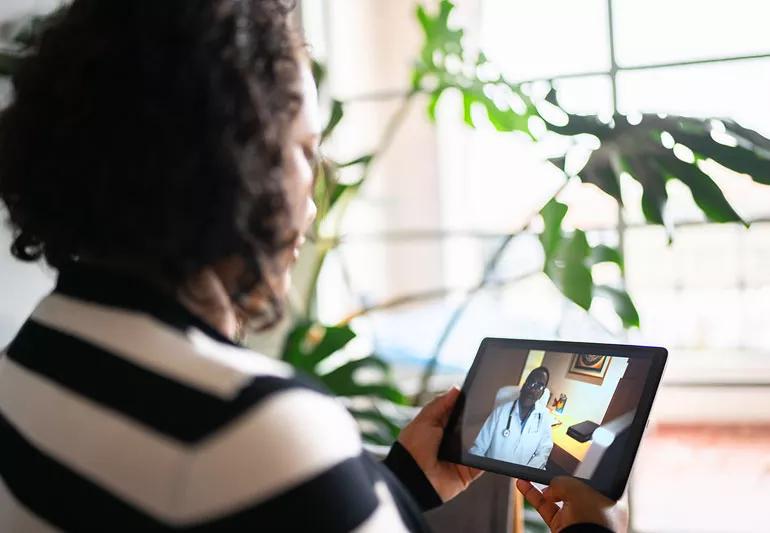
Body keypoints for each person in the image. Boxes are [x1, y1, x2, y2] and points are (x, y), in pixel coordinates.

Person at [0, 1, 627, 531]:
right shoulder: (253, 425)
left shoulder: (32, 353)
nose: (317, 184)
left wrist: (402, 483)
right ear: (228, 170)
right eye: (304, 149)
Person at [469, 367, 554, 469]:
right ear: (523, 385)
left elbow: (543, 452)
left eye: (539, 386)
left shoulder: (544, 417)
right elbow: (478, 448)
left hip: (519, 480)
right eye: (531, 382)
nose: (533, 389)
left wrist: (526, 474)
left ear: (542, 393)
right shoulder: (500, 412)